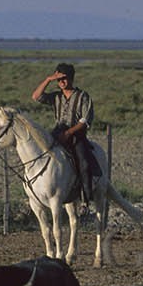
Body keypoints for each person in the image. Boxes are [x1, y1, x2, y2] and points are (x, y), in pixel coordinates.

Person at [30, 62, 100, 208]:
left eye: (64, 78)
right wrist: (48, 79)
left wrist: (69, 132)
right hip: (57, 133)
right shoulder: (56, 97)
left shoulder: (82, 96)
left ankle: (86, 199)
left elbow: (85, 120)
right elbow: (36, 96)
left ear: (72, 79)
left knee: (84, 163)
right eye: (59, 79)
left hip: (76, 135)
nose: (61, 82)